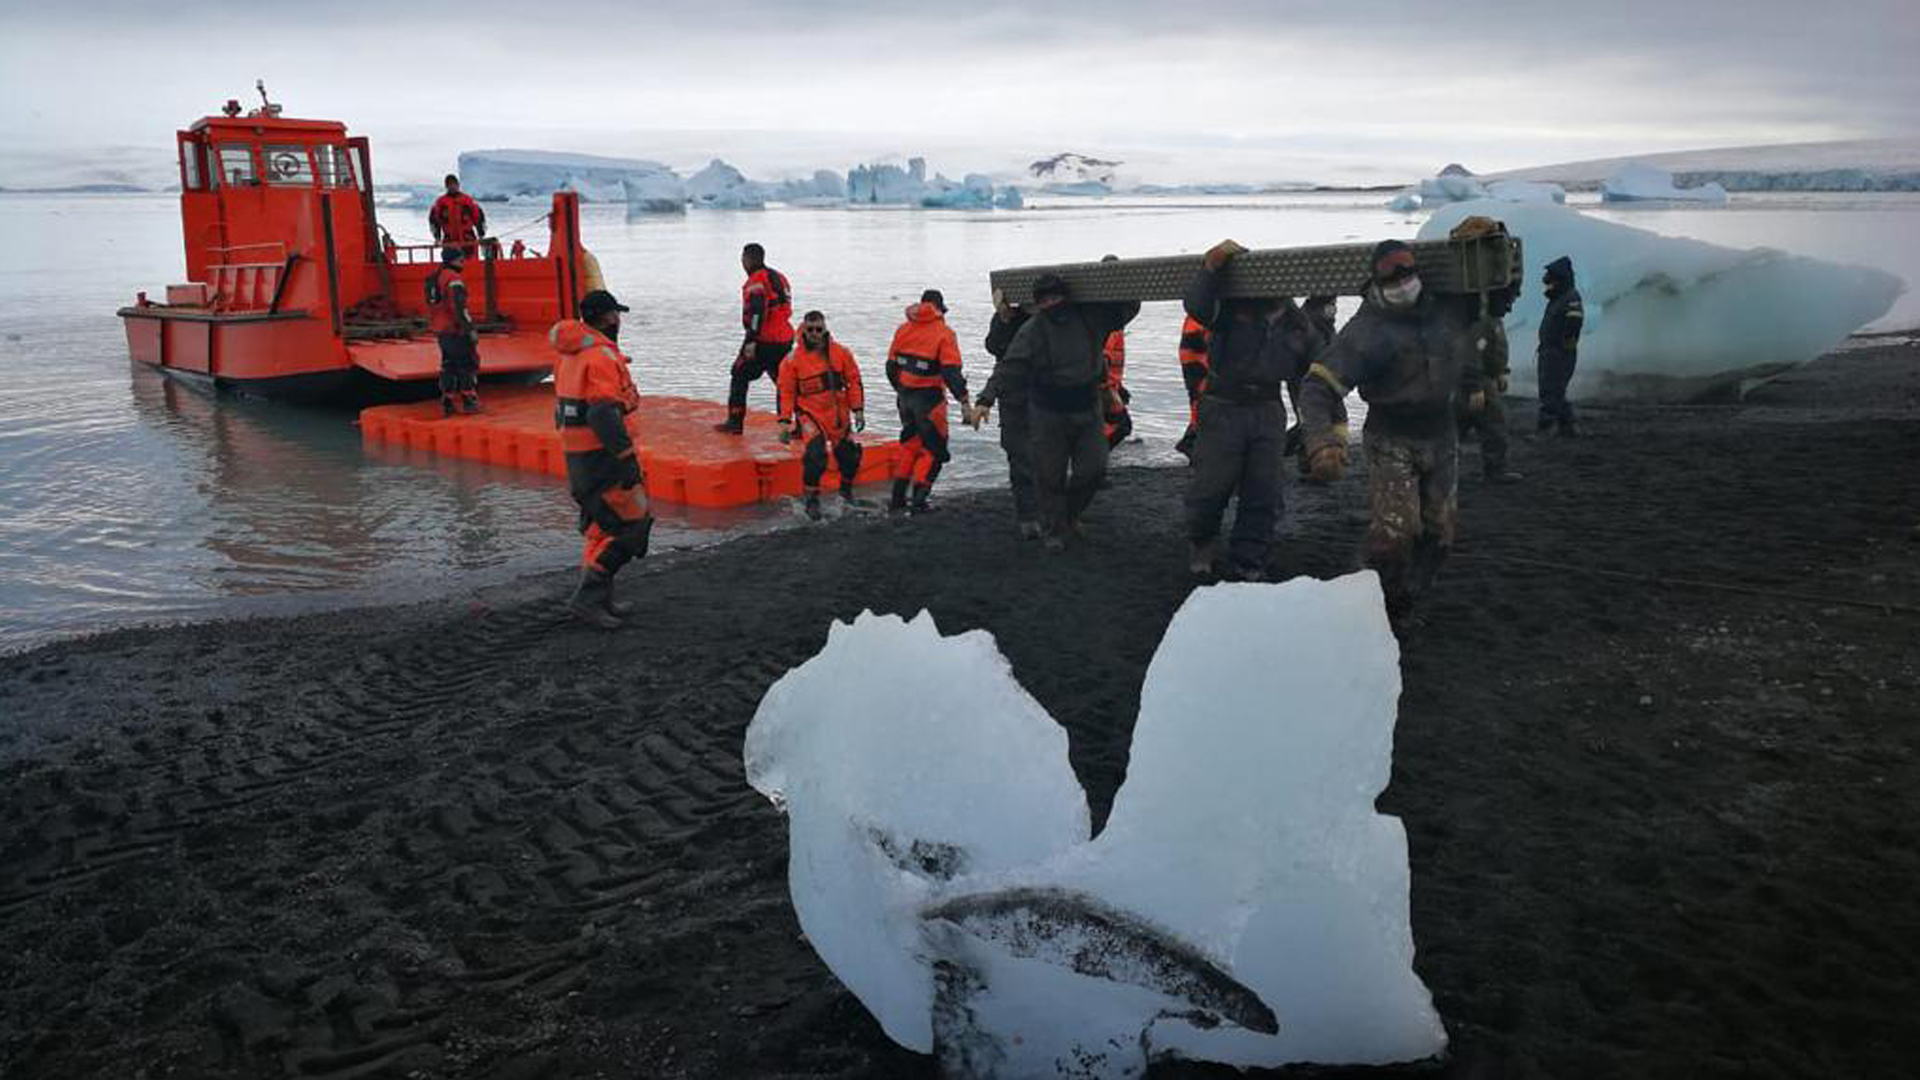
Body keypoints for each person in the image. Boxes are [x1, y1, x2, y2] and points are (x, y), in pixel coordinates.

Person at [1299, 238, 1477, 628]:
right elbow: (1318, 386)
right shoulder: (1368, 330)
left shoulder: (1444, 310)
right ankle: (1381, 602)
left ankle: (1412, 593)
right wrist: (1322, 441)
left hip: (1441, 433)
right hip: (1391, 435)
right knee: (1395, 534)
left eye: (1407, 270)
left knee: (1441, 529)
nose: (1401, 279)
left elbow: (1490, 306)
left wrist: (1487, 252)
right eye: (1390, 274)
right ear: (1376, 280)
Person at [1182, 239, 1317, 580]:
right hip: (1223, 406)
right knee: (1210, 489)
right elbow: (1197, 305)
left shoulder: (1296, 321)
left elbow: (1312, 370)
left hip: (1268, 410)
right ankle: (1202, 540)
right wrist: (1210, 267)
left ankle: (1249, 559)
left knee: (1264, 492)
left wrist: (1317, 427)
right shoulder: (1231, 309)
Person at [985, 272, 1138, 550]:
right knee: (1047, 474)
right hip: (1046, 409)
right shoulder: (1031, 329)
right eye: (1046, 299)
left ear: (1066, 296)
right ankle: (1052, 528)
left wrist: (1116, 275)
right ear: (1037, 303)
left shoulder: (1089, 319)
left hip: (1086, 406)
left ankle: (1068, 515)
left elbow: (1125, 310)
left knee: (1094, 469)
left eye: (1056, 296)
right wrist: (985, 400)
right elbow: (1007, 362)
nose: (1052, 303)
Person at [550, 289, 652, 629]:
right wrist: (624, 458)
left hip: (579, 457)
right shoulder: (600, 358)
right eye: (616, 315)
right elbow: (603, 414)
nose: (619, 321)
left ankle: (600, 599)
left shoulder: (570, 355)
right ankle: (587, 599)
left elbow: (561, 410)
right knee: (632, 527)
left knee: (599, 529)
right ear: (608, 317)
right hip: (603, 457)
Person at [885, 289, 972, 514]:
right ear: (939, 309)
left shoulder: (903, 329)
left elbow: (890, 366)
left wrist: (902, 389)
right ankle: (919, 500)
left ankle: (897, 498)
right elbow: (951, 372)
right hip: (930, 399)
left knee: (910, 444)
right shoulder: (944, 333)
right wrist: (964, 400)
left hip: (905, 397)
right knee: (933, 450)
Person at [778, 310, 867, 520]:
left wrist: (858, 410)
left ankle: (846, 493)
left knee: (849, 456)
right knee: (815, 456)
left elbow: (854, 381)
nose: (815, 334)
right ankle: (812, 500)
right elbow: (786, 392)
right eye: (810, 330)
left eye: (819, 329)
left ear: (825, 329)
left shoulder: (841, 353)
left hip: (838, 412)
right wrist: (784, 421)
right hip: (811, 413)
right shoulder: (792, 360)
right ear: (804, 330)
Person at [973, 290, 1039, 537]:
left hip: (1039, 395)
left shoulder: (1048, 321)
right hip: (1013, 395)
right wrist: (1004, 319)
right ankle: (1028, 516)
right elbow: (994, 347)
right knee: (1020, 456)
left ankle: (1045, 513)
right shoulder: (1010, 317)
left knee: (1045, 457)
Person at [715, 243, 795, 433]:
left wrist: (751, 340)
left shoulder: (756, 282)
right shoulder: (779, 277)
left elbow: (758, 312)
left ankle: (735, 422)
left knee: (739, 374)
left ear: (748, 259)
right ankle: (794, 423)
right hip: (784, 337)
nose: (742, 262)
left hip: (764, 339)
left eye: (743, 259)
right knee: (785, 382)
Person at [1458, 277, 1524, 483]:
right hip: (1472, 381)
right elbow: (1469, 353)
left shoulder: (1490, 317)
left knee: (1482, 425)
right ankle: (1492, 470)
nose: (1510, 307)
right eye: (1508, 301)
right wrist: (1475, 386)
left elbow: (1493, 350)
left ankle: (1494, 469)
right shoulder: (1479, 319)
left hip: (1481, 377)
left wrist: (1500, 371)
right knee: (1487, 422)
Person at [424, 244, 481, 416]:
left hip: (441, 329)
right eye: (462, 259)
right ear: (455, 260)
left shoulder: (434, 278)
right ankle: (469, 401)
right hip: (455, 329)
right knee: (467, 364)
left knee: (448, 364)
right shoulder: (454, 279)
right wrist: (469, 329)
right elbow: (459, 308)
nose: (463, 262)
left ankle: (447, 402)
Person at [1536, 255, 1585, 436]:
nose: (1548, 285)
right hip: (1551, 350)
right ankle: (1568, 427)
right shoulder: (1558, 299)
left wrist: (1565, 345)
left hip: (1559, 352)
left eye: (1551, 280)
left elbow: (1574, 324)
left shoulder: (1570, 298)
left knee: (1550, 390)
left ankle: (1545, 428)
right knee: (1556, 390)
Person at [1173, 314, 1211, 459]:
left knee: (1199, 398)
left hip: (1196, 333)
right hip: (1199, 337)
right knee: (1202, 397)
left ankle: (1193, 439)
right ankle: (1192, 441)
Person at [428, 174, 486, 252]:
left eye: (454, 184)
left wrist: (481, 235)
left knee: (471, 263)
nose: (452, 186)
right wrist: (437, 238)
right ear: (446, 186)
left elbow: (478, 217)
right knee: (451, 263)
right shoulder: (441, 203)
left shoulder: (467, 200)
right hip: (449, 242)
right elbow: (434, 221)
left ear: (458, 185)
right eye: (449, 184)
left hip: (468, 241)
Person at [1101, 329, 1133, 448]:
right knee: (1122, 426)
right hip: (1103, 388)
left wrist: (1119, 388)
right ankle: (1090, 457)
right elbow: (1103, 360)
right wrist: (1107, 390)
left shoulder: (1113, 328)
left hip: (1108, 385)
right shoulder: (1111, 329)